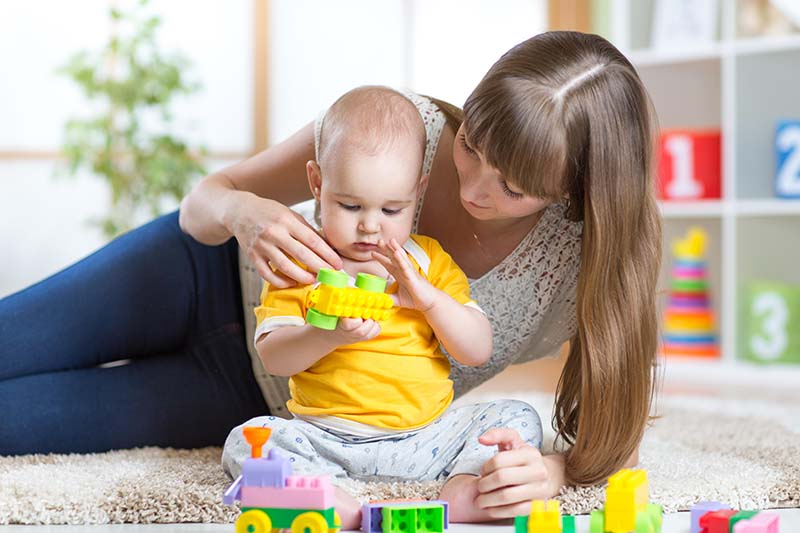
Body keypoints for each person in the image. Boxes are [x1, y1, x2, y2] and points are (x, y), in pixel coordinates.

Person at [0, 31, 661, 520]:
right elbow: (205, 204)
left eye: (512, 187)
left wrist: (546, 469)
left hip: (265, 396)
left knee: (17, 421)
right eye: (472, 147)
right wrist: (245, 212)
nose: (474, 187)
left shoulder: (579, 270)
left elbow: (614, 427)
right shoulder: (405, 129)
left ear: (573, 194)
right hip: (196, 272)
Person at [219, 86, 543, 528]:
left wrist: (428, 299)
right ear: (317, 184)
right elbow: (274, 357)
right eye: (349, 205)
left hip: (427, 439)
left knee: (517, 416)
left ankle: (463, 488)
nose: (370, 225)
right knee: (247, 443)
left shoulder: (427, 261)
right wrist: (327, 333)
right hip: (327, 439)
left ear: (418, 191)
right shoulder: (303, 262)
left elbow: (477, 348)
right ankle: (330, 499)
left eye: (393, 208)